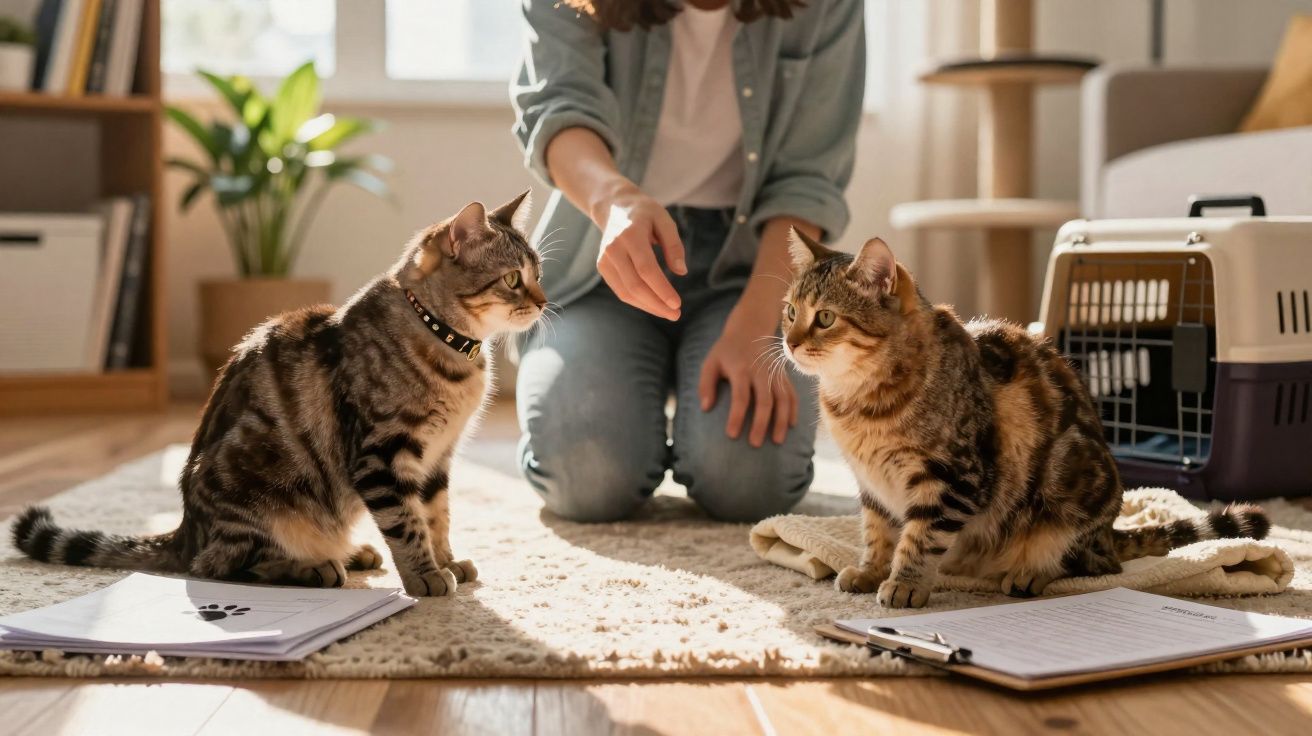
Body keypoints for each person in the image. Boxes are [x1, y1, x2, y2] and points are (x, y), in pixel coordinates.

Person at [510, 0, 864, 523]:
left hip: (753, 267)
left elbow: (809, 176)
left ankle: (693, 428)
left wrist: (757, 320)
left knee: (751, 485)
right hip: (599, 262)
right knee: (586, 478)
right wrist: (616, 202)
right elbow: (556, 108)